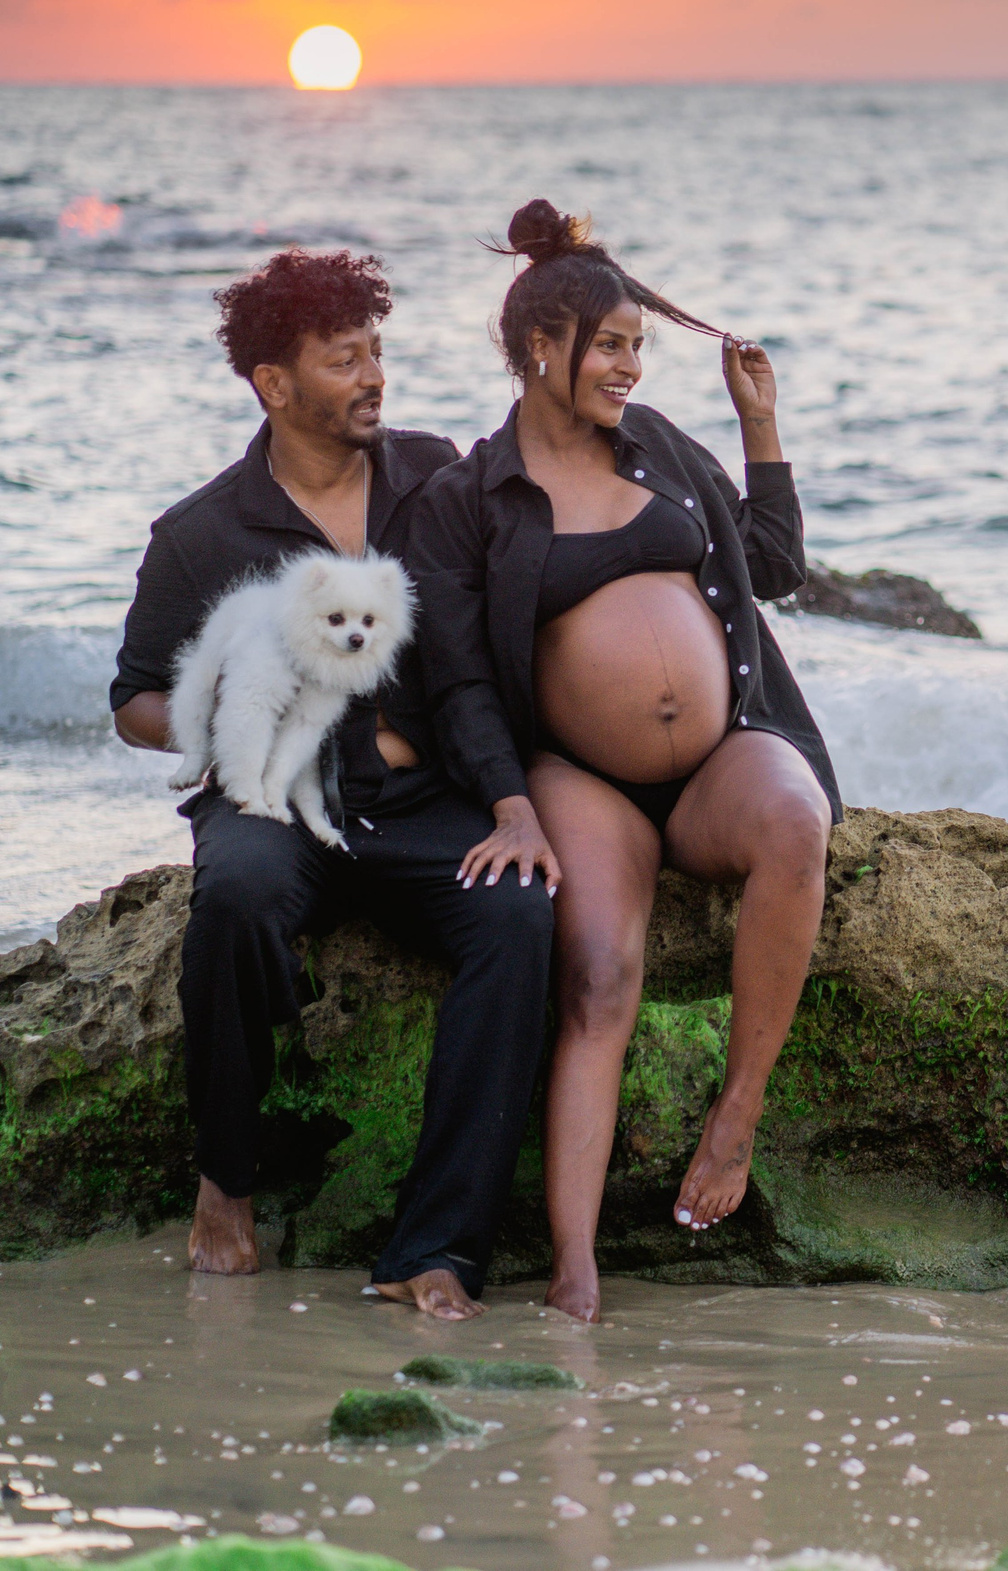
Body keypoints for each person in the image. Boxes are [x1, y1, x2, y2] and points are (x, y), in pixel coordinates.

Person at [409, 200, 840, 1324]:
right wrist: (508, 802)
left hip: (718, 758)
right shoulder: (470, 499)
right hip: (580, 780)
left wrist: (760, 425)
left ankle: (735, 1116)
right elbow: (455, 677)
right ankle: (575, 1269)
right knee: (599, 976)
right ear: (541, 349)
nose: (629, 370)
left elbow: (777, 567)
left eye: (638, 348)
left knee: (796, 824)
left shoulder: (663, 451)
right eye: (610, 347)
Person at [111, 248, 553, 1319]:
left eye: (378, 351)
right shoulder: (201, 533)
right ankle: (228, 1178)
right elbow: (133, 701)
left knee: (520, 917)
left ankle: (434, 1248)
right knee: (237, 898)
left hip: (421, 805)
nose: (373, 376)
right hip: (276, 803)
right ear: (275, 384)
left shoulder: (434, 477)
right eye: (344, 357)